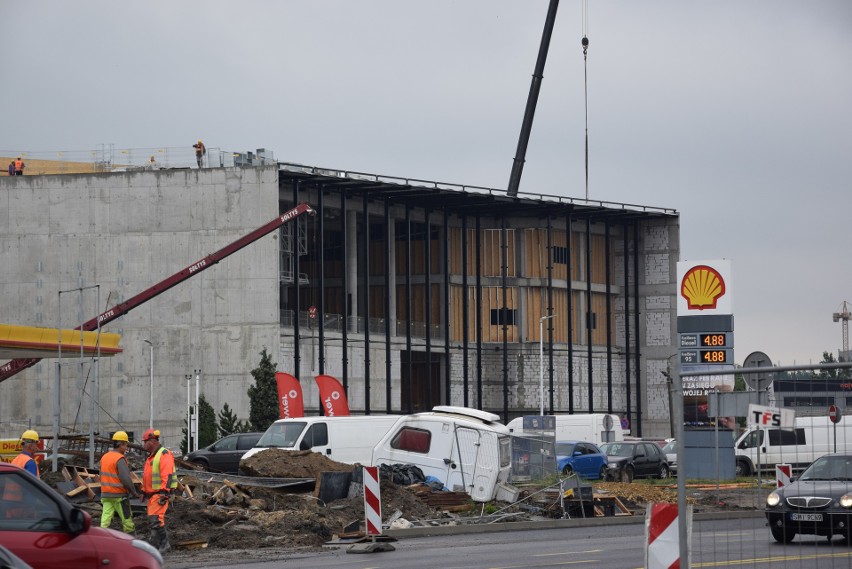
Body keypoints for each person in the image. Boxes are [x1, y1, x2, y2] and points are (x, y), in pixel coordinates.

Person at [141, 428, 177, 553]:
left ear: (152, 441)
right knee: (154, 520)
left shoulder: (163, 454)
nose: (144, 444)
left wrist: (164, 492)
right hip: (152, 495)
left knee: (156, 519)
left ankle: (162, 545)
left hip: (160, 494)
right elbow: (147, 476)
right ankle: (156, 545)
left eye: (145, 442)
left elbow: (167, 475)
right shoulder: (151, 457)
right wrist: (143, 491)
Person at [99, 431, 140, 533]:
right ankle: (130, 539)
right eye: (126, 445)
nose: (126, 448)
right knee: (127, 520)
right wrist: (134, 492)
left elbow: (101, 475)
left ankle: (101, 539)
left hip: (106, 495)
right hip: (119, 496)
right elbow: (126, 478)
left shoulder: (105, 457)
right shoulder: (119, 458)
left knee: (105, 521)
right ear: (121, 444)